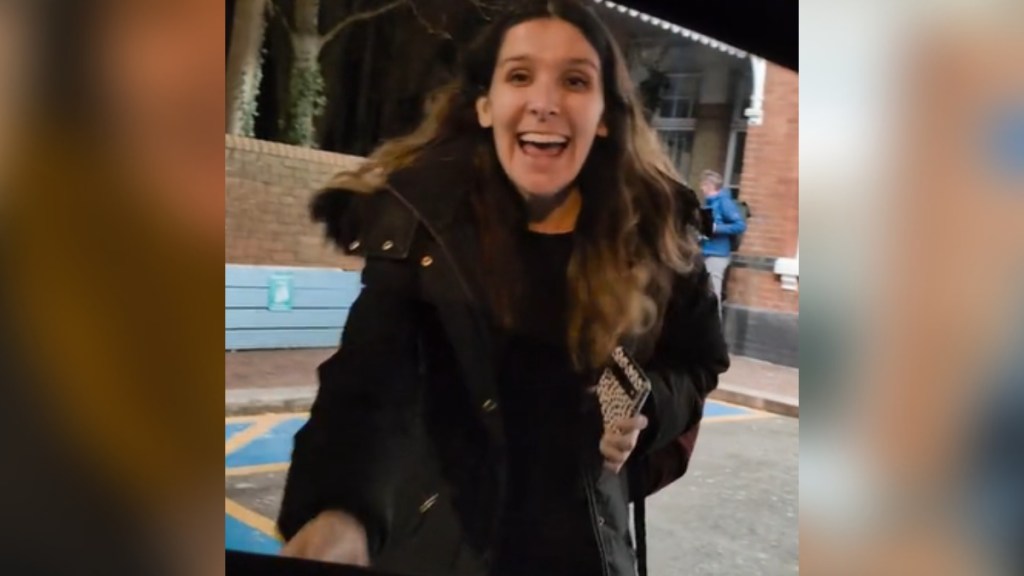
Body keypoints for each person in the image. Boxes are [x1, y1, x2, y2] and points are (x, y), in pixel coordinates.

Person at [277, 2, 729, 575]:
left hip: (586, 549)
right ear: (486, 106)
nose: (544, 101)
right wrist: (338, 512)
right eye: (519, 75)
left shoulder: (659, 236)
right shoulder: (423, 223)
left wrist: (646, 411)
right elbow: (368, 377)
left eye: (574, 80)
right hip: (435, 547)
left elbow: (699, 362)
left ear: (605, 114)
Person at [698, 169, 747, 317]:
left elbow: (740, 225)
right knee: (704, 293)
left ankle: (715, 329)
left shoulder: (724, 202)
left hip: (717, 254)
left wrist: (716, 228)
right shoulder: (708, 203)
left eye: (703, 185)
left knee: (713, 293)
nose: (701, 188)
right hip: (705, 251)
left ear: (709, 185)